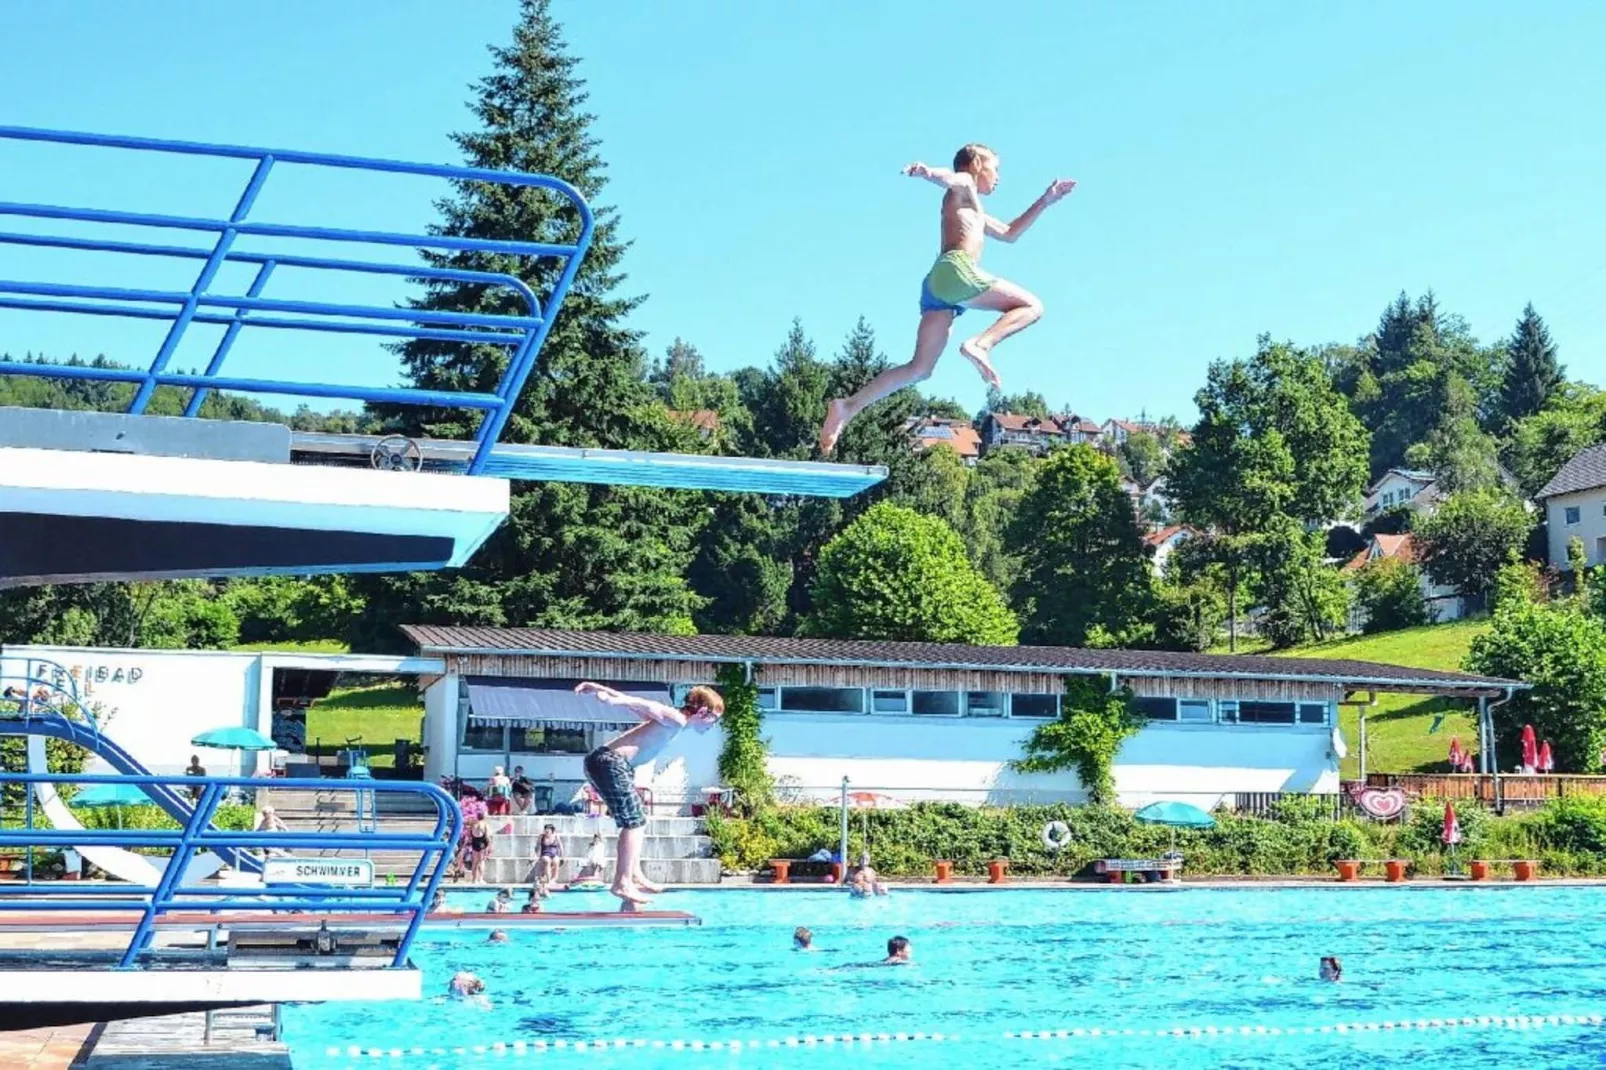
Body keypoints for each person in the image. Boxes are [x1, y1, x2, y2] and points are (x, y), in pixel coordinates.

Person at [818, 144, 1076, 453]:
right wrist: (928, 172)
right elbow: (952, 179)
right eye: (996, 168)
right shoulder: (964, 185)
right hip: (957, 271)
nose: (999, 177)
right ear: (978, 164)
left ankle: (848, 407)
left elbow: (1009, 233)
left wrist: (1046, 200)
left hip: (938, 287)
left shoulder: (973, 208)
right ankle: (981, 344)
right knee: (1032, 306)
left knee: (920, 369)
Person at [572, 682, 725, 906]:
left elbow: (637, 706)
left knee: (638, 820)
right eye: (715, 718)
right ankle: (622, 882)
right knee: (634, 822)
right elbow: (644, 703)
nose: (714, 724)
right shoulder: (676, 718)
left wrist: (598, 689)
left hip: (605, 763)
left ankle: (633, 873)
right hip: (610, 763)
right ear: (703, 712)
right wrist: (613, 701)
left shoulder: (672, 722)